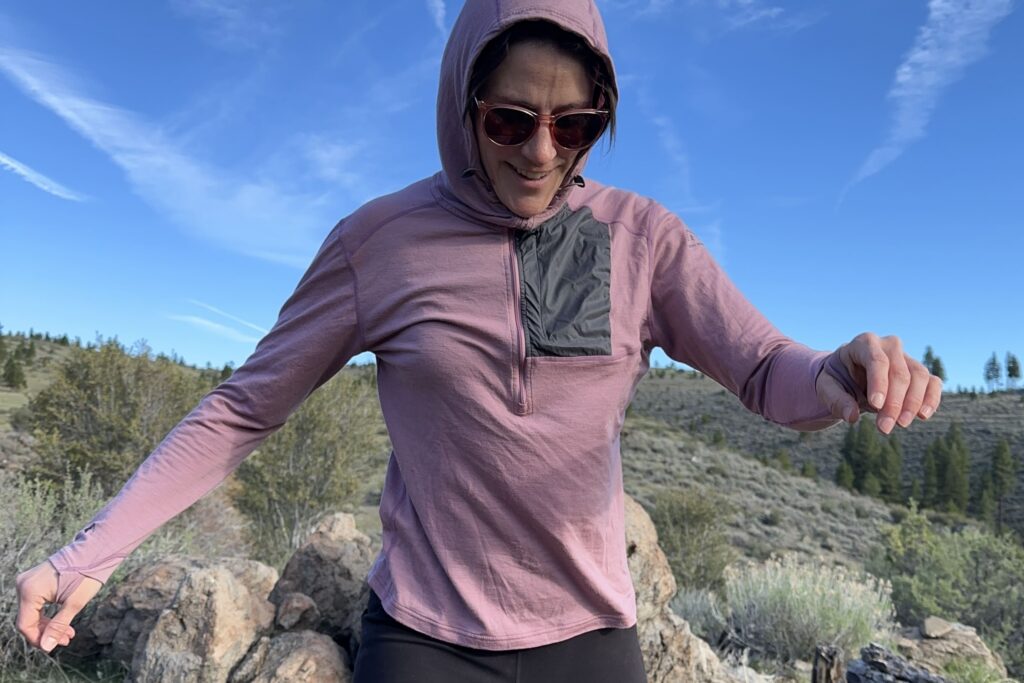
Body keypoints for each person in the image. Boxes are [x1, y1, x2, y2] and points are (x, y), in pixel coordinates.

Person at [16, 0, 942, 681]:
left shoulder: (640, 238)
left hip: (588, 633)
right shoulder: (378, 243)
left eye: (576, 125)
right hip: (427, 637)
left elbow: (761, 369)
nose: (542, 152)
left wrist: (835, 374)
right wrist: (86, 554)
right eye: (510, 120)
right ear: (462, 104)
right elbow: (239, 412)